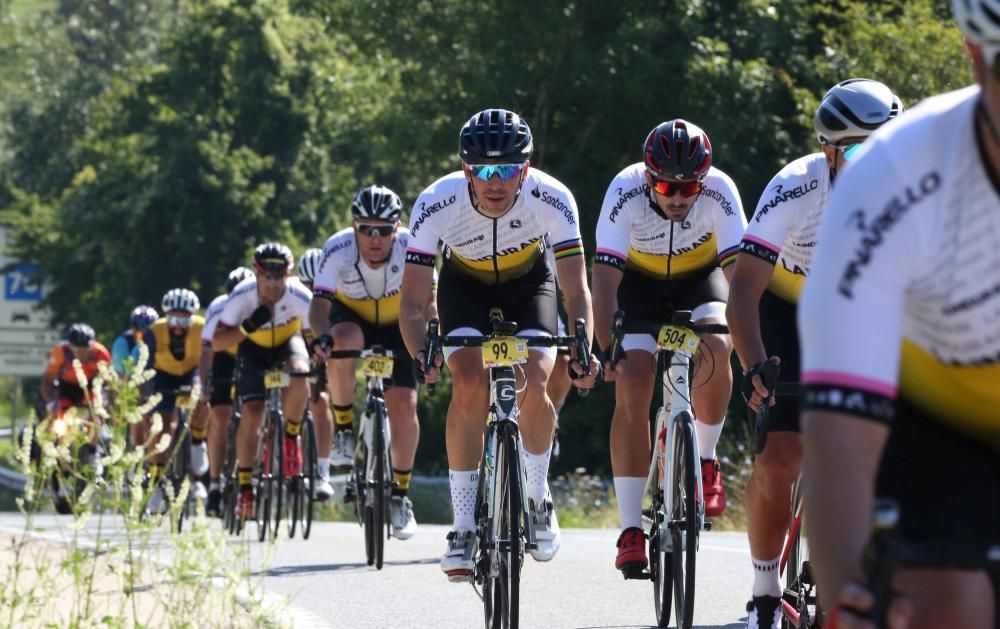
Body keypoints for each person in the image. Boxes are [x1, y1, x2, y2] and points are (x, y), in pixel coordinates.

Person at [799, 3, 1000, 627]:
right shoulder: (892, 175)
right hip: (939, 418)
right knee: (938, 605)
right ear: (976, 56)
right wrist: (846, 600)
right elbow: (837, 439)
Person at [725, 78, 902, 628]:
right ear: (828, 151)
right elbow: (743, 291)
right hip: (784, 311)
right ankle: (764, 590)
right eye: (859, 150)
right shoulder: (795, 187)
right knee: (781, 456)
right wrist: (754, 367)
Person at [398, 108, 600, 580]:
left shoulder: (552, 198)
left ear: (525, 169)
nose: (495, 182)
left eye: (507, 169)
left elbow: (577, 291)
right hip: (463, 289)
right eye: (483, 170)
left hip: (530, 287)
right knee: (469, 384)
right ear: (465, 169)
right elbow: (411, 301)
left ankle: (537, 496)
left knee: (534, 383)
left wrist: (583, 347)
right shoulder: (436, 201)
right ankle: (464, 527)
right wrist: (420, 353)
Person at [591, 119, 746, 575]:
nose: (677, 198)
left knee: (718, 344)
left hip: (700, 280)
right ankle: (630, 529)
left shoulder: (721, 192)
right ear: (647, 177)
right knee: (634, 380)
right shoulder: (624, 191)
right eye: (665, 186)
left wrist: (749, 338)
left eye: (688, 187)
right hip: (637, 285)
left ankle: (706, 459)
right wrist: (607, 347)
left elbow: (740, 280)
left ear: (704, 180)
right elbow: (604, 281)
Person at [310, 185, 426, 538]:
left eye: (384, 230)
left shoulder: (412, 245)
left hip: (398, 323)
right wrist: (322, 337)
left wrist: (431, 338)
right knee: (342, 342)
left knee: (405, 406)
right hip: (353, 318)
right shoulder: (338, 248)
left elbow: (430, 300)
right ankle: (345, 429)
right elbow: (319, 306)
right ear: (354, 227)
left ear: (397, 228)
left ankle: (401, 496)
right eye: (366, 229)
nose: (375, 238)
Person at [213, 243, 312, 521]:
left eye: (278, 276)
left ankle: (291, 436)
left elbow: (314, 333)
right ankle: (246, 487)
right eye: (266, 276)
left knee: (300, 371)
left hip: (287, 344)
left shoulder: (299, 295)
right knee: (253, 411)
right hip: (252, 349)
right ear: (256, 274)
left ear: (287, 274)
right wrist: (247, 326)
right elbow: (218, 342)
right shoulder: (241, 296)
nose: (272, 283)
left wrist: (321, 351)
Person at [142, 288, 208, 512]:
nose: (178, 326)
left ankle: (197, 442)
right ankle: (156, 482)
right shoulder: (154, 331)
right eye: (173, 319)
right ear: (165, 316)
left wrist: (207, 386)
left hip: (191, 372)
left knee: (201, 398)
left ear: (192, 318)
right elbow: (146, 367)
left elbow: (211, 358)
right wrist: (146, 398)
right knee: (163, 427)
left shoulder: (202, 327)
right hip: (164, 376)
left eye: (184, 320)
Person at [200, 266, 253, 516]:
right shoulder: (218, 308)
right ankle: (214, 483)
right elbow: (207, 351)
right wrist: (204, 384)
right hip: (224, 357)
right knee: (220, 417)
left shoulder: (263, 304)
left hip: (253, 356)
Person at [295, 247, 335, 501]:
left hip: (323, 354)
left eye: (316, 286)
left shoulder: (335, 298)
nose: (312, 292)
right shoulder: (293, 298)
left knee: (321, 402)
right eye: (307, 286)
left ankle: (322, 471)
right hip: (298, 351)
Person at [111, 305, 158, 376]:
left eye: (150, 330)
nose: (147, 335)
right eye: (140, 329)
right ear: (133, 328)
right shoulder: (122, 343)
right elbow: (120, 375)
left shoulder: (163, 338)